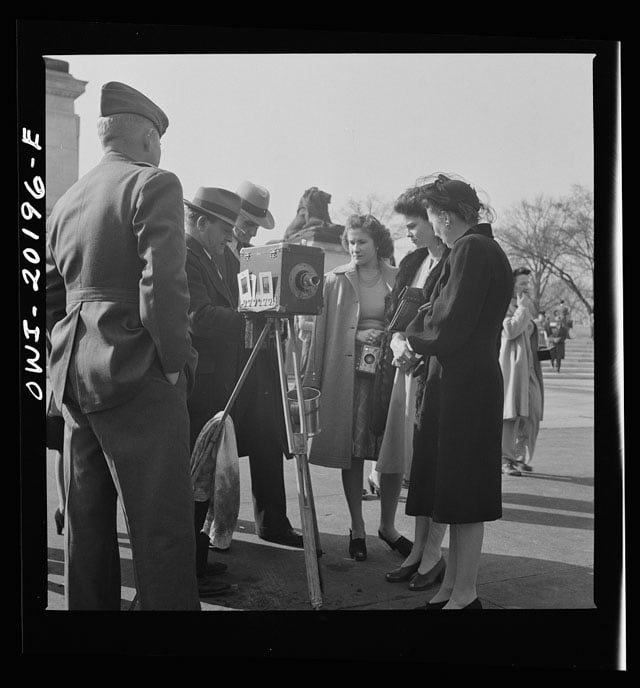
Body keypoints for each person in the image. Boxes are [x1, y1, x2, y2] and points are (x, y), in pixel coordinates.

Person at [45, 81, 200, 610]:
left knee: (85, 525)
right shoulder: (153, 184)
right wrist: (173, 362)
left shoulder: (66, 200)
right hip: (134, 365)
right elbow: (164, 284)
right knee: (160, 527)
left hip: (73, 372)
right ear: (149, 138)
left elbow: (49, 294)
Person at [403, 174, 512, 610]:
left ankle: (465, 592)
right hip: (465, 380)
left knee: (464, 494)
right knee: (457, 491)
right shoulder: (482, 248)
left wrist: (413, 329)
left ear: (444, 217)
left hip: (464, 384)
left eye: (430, 215)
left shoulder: (470, 249)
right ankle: (453, 588)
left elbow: (444, 324)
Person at [367, 185, 451, 589]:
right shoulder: (415, 260)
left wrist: (411, 343)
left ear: (437, 222)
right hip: (405, 371)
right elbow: (395, 314)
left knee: (432, 465)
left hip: (433, 371)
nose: (409, 232)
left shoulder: (454, 260)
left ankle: (433, 554)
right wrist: (398, 341)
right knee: (416, 466)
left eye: (414, 224)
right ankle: (418, 551)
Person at [303, 214, 397, 561]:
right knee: (352, 450)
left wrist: (385, 337)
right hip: (350, 375)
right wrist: (356, 335)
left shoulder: (397, 278)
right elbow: (319, 331)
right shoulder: (334, 280)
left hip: (388, 373)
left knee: (391, 451)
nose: (355, 248)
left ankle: (388, 526)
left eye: (362, 242)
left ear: (377, 244)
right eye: (351, 242)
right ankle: (357, 527)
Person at [227, 181, 303, 548]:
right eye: (247, 221)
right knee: (220, 447)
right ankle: (216, 526)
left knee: (268, 441)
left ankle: (272, 522)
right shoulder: (204, 251)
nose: (252, 230)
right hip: (225, 364)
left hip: (261, 362)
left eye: (257, 224)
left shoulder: (258, 256)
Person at [183, 186, 244, 597]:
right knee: (195, 475)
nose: (229, 238)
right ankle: (190, 571)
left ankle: (198, 561)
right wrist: (252, 316)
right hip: (198, 385)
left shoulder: (212, 255)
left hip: (213, 381)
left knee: (205, 475)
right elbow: (199, 317)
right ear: (202, 222)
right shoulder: (187, 255)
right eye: (224, 229)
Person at [500, 268, 545, 476]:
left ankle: (520, 456)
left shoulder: (525, 307)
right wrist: (522, 310)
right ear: (511, 286)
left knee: (533, 412)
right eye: (522, 283)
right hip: (511, 369)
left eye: (528, 283)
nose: (526, 286)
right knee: (510, 415)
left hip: (530, 370)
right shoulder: (504, 306)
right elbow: (509, 331)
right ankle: (505, 459)